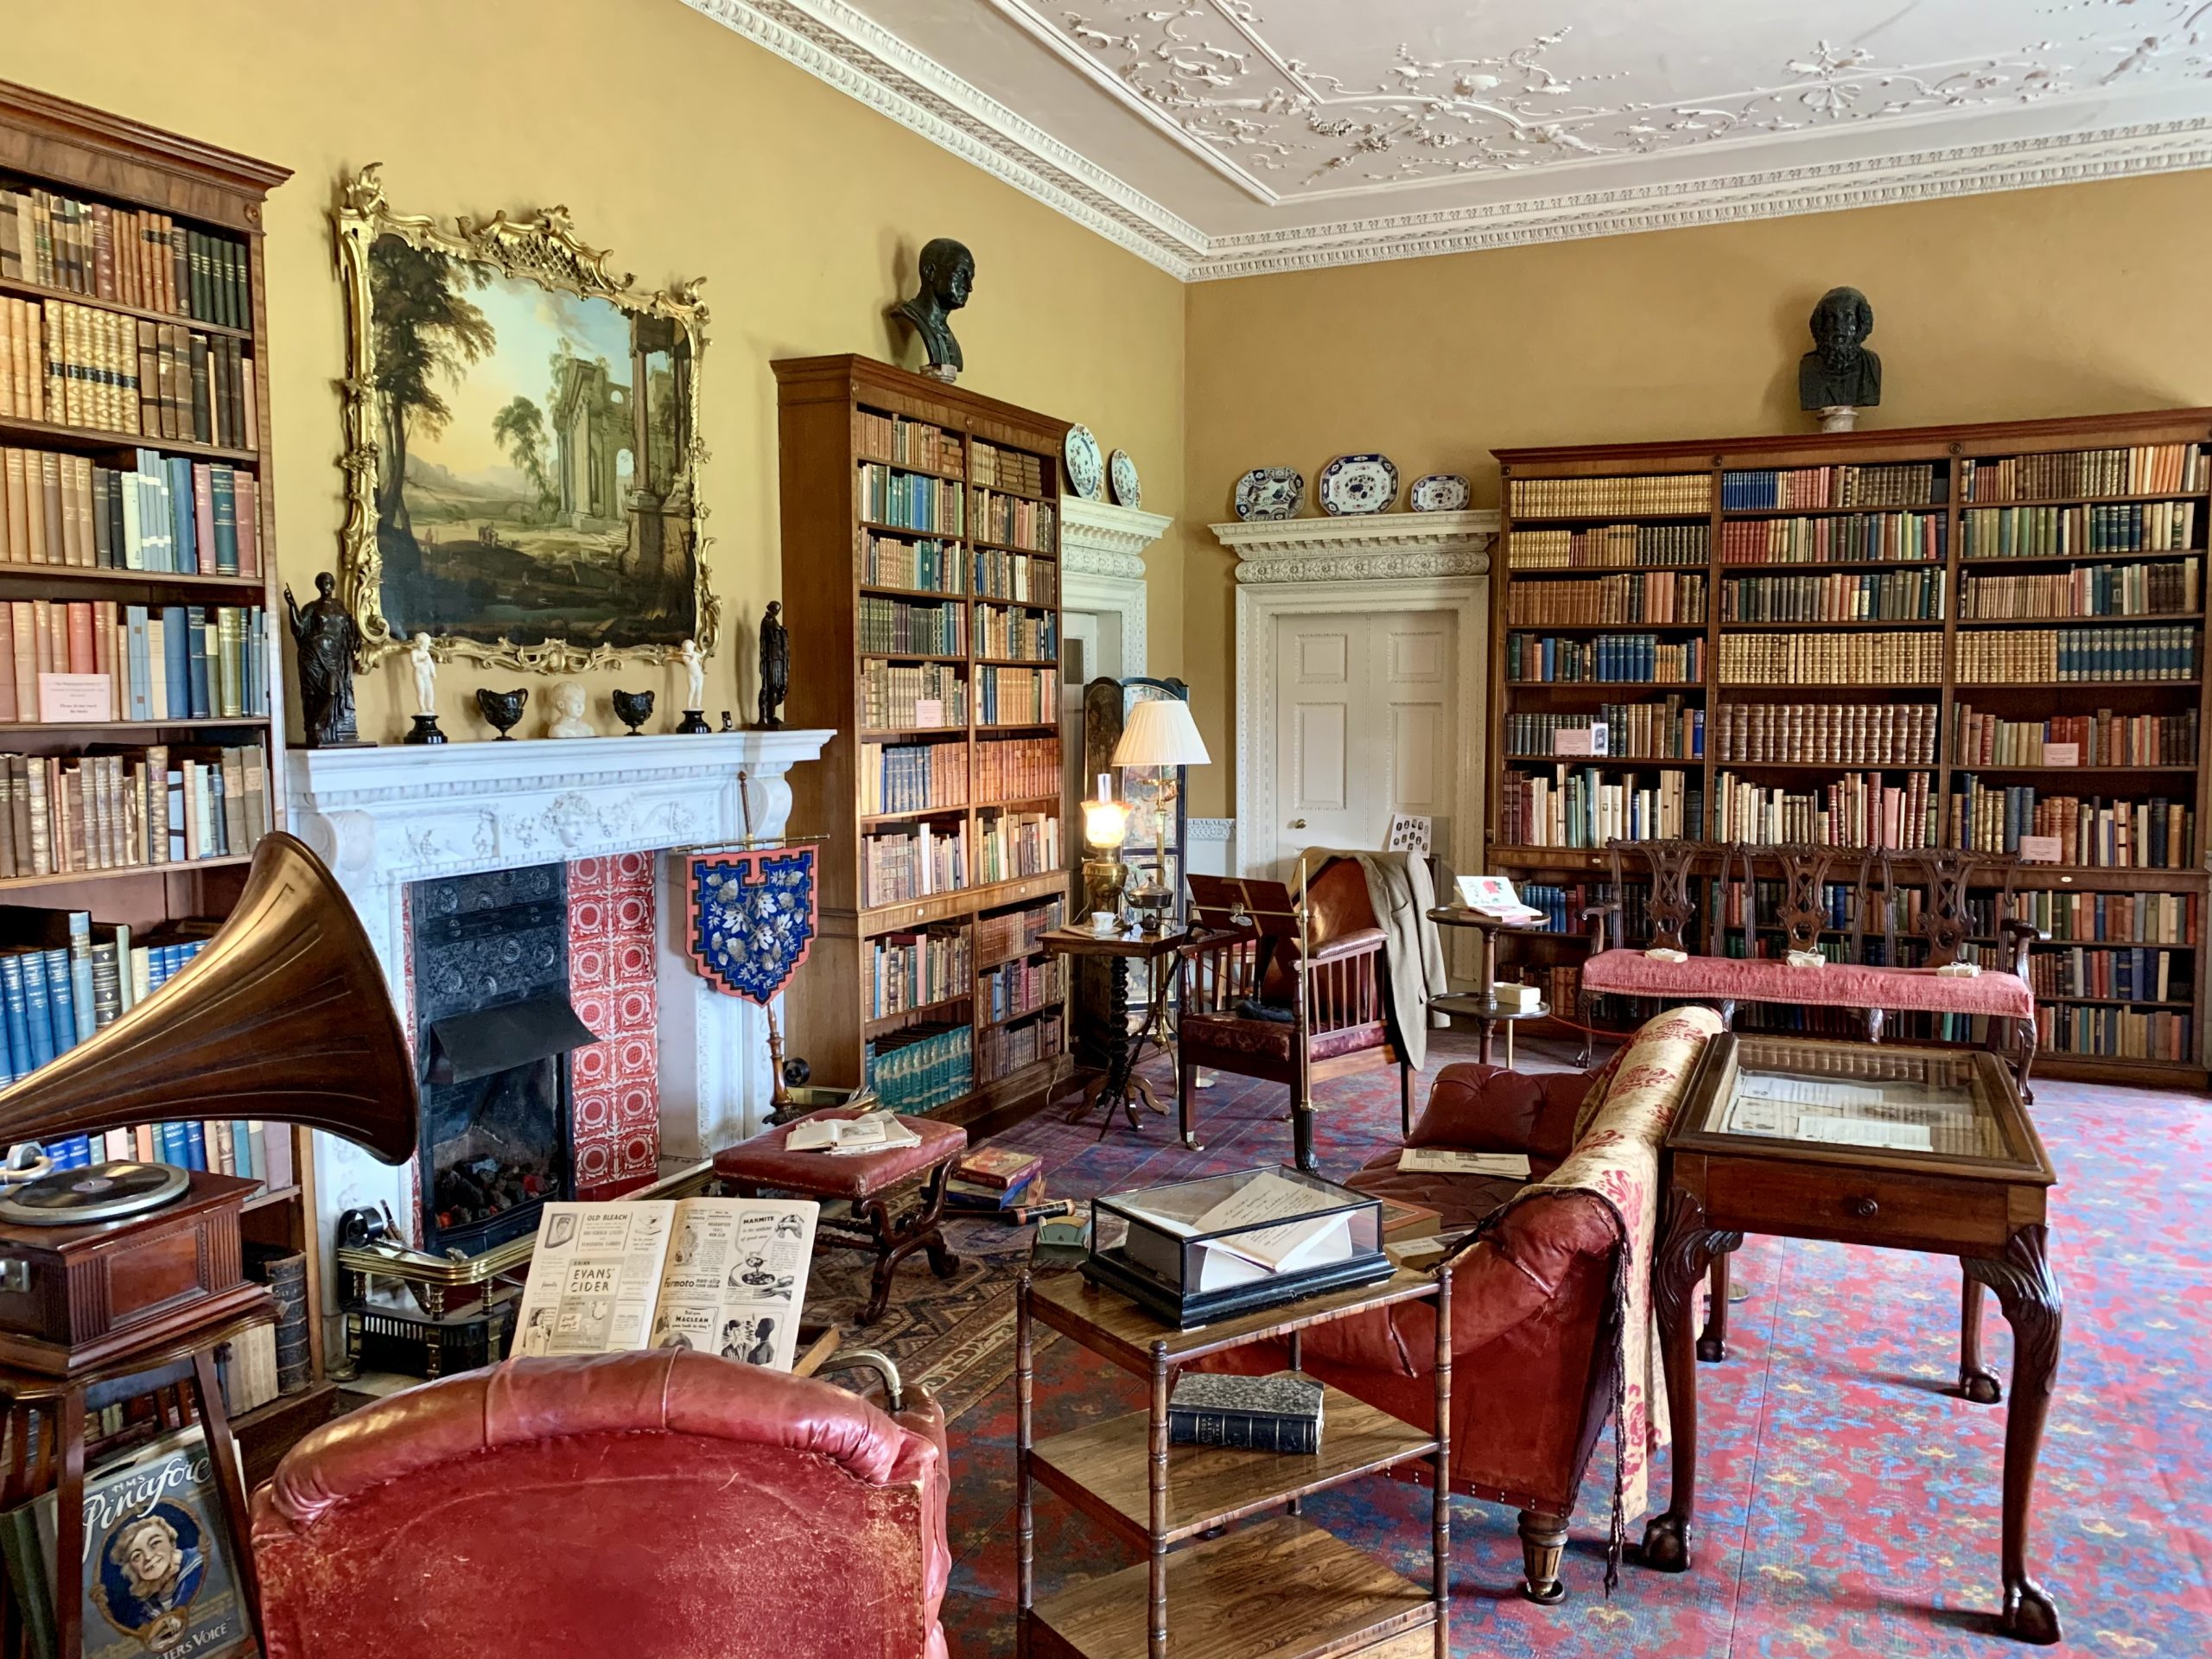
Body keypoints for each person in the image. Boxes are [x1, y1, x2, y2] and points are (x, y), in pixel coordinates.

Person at [283, 572, 363, 746]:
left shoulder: (340, 607)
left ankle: (318, 724)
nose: (325, 586)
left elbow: (350, 629)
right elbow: (299, 629)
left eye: (328, 583)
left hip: (335, 657)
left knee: (332, 692)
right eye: (321, 583)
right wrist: (291, 605)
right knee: (322, 694)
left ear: (333, 585)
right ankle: (316, 727)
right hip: (315, 654)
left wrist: (357, 639)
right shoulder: (311, 607)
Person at [891, 238, 975, 378]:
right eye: (960, 274)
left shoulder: (950, 342)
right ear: (930, 271)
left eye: (971, 277)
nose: (969, 287)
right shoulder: (912, 316)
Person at [1798, 286, 1881, 411]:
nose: (1839, 326)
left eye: (1848, 317)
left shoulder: (1871, 364)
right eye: (1832, 317)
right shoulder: (1808, 367)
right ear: (1822, 324)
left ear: (1861, 324)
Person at [758, 600, 788, 728]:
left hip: (779, 658)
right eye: (776, 608)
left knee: (777, 686)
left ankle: (772, 715)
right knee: (770, 686)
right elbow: (770, 638)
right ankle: (766, 716)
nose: (777, 611)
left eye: (778, 609)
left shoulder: (773, 621)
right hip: (771, 658)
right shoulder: (767, 621)